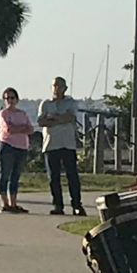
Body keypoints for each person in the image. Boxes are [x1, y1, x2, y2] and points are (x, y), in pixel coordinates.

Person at [38, 77, 85, 216]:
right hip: (51, 145)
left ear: (65, 88)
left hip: (68, 144)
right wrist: (60, 119)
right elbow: (41, 121)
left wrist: (53, 118)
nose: (57, 88)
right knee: (54, 177)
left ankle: (77, 205)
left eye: (60, 86)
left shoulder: (70, 103)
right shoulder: (45, 104)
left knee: (72, 176)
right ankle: (58, 205)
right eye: (54, 86)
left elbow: (70, 118)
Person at [0, 87, 35, 213]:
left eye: (12, 98)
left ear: (17, 99)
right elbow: (8, 129)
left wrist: (19, 128)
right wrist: (21, 128)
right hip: (7, 146)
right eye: (7, 98)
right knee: (5, 175)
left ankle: (13, 203)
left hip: (22, 147)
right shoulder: (3, 114)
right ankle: (4, 203)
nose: (10, 101)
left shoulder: (22, 114)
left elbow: (30, 129)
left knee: (15, 176)